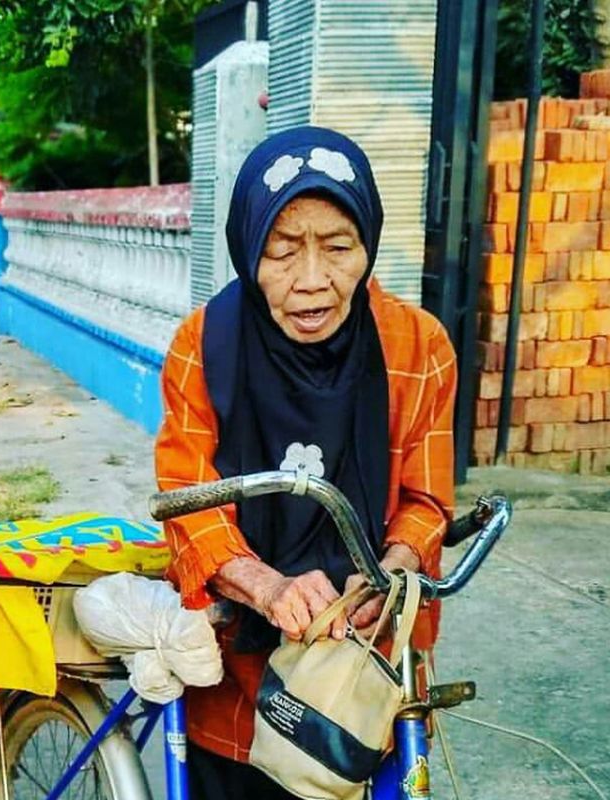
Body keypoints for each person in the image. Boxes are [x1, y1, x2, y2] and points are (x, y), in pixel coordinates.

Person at [155, 126, 456, 799]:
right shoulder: (200, 346)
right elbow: (185, 496)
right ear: (246, 247)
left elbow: (428, 501)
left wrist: (391, 573)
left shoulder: (420, 345)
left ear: (369, 244)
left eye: (339, 248)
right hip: (235, 681)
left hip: (362, 674)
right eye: (283, 252)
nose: (313, 281)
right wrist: (267, 587)